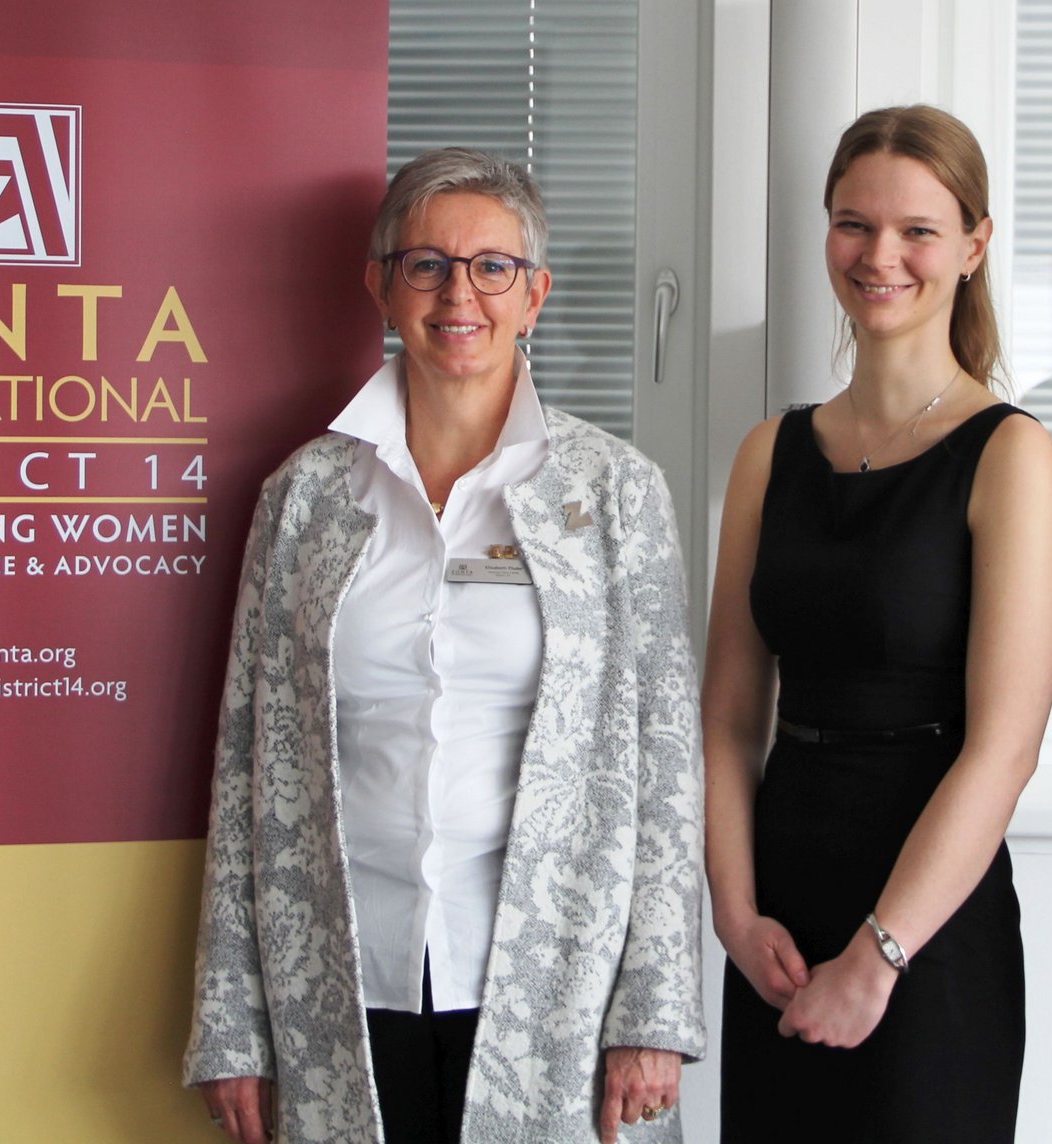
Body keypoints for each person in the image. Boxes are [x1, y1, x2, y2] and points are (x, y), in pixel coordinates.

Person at [183, 148, 705, 1144]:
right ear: (380, 284)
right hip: (340, 982)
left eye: (492, 267)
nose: (458, 292)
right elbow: (246, 766)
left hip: (559, 986)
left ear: (535, 294)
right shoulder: (304, 498)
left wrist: (655, 1011)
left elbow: (667, 772)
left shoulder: (617, 494)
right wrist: (230, 1022)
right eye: (426, 264)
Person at [703, 105, 1052, 1142]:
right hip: (779, 905)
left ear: (973, 246)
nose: (881, 256)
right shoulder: (771, 451)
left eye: (917, 230)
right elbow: (729, 716)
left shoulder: (1009, 453)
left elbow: (1005, 749)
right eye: (853, 224)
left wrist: (880, 955)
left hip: (929, 925)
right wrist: (733, 913)